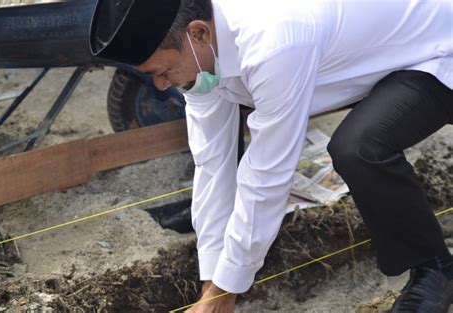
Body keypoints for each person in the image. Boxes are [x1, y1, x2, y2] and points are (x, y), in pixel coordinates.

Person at [89, 0, 453, 312]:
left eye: (164, 71)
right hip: (378, 53)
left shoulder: (273, 41)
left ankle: (435, 269)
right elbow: (213, 164)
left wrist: (224, 291)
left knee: (358, 147)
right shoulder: (198, 54)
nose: (161, 85)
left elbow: (267, 174)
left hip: (438, 47)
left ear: (198, 33)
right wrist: (211, 282)